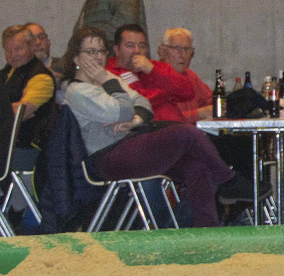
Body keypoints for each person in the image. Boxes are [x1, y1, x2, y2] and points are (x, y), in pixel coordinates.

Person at [62, 26, 242, 228]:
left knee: (197, 166)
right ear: (76, 58)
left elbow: (143, 103)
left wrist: (136, 120)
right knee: (185, 133)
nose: (97, 57)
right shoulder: (78, 91)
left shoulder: (111, 80)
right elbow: (122, 111)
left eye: (101, 51)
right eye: (90, 52)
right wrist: (109, 83)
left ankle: (204, 231)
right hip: (104, 158)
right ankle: (228, 180)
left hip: (129, 144)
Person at [106, 24, 195, 123]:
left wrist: (152, 70)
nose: (137, 51)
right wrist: (167, 94)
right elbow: (137, 102)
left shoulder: (153, 66)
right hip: (145, 127)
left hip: (177, 125)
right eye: (130, 46)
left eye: (142, 46)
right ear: (117, 50)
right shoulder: (108, 73)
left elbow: (188, 91)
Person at [0, 25, 56, 165]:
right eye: (8, 50)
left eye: (18, 49)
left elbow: (19, 113)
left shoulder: (41, 78)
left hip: (25, 149)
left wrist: (10, 111)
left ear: (32, 47)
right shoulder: (6, 73)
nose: (12, 55)